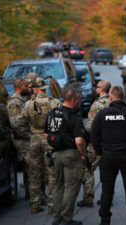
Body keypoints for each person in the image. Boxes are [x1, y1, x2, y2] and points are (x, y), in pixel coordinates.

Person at [91, 86, 126, 225]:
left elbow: (94, 136)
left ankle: (105, 221)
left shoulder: (102, 114)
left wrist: (101, 152)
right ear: (123, 97)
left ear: (110, 98)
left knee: (107, 190)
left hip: (108, 157)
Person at [45, 83, 87, 225]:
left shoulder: (52, 113)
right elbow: (79, 141)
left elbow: (47, 132)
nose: (81, 101)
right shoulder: (75, 117)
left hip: (56, 154)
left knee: (58, 187)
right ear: (74, 99)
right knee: (71, 189)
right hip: (71, 155)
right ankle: (67, 219)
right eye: (80, 98)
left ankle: (57, 219)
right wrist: (83, 155)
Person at [21, 77, 61, 213]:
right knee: (52, 173)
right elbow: (60, 122)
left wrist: (28, 133)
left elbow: (21, 121)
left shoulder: (28, 104)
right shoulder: (55, 103)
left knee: (34, 172)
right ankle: (52, 206)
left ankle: (35, 204)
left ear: (35, 89)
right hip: (50, 139)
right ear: (44, 88)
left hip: (34, 140)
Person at [77, 80, 111, 208]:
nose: (95, 88)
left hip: (96, 143)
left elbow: (90, 125)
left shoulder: (97, 104)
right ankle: (107, 198)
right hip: (110, 143)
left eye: (97, 86)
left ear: (102, 89)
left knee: (88, 169)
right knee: (107, 172)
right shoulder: (112, 102)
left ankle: (88, 198)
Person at [7, 78, 31, 198]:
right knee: (30, 165)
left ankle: (31, 192)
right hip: (21, 138)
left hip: (25, 136)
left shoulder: (24, 99)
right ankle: (32, 194)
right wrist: (29, 136)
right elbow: (16, 124)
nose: (28, 88)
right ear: (19, 87)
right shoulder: (14, 102)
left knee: (30, 166)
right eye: (26, 86)